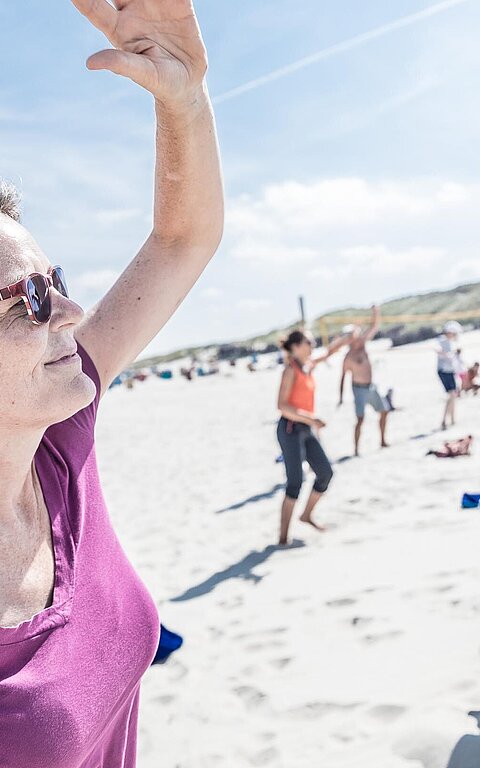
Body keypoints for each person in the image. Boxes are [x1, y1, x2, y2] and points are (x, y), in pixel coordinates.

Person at [0, 1, 223, 766]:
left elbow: (180, 240)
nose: (69, 310)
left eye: (52, 279)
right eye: (22, 300)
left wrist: (185, 99)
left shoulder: (58, 442)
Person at [276, 329, 351, 545]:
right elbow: (282, 406)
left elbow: (328, 352)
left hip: (307, 428)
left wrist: (347, 337)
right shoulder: (290, 370)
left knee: (325, 473)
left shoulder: (307, 366)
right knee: (295, 483)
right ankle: (282, 539)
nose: (312, 346)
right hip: (290, 429)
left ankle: (306, 514)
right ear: (296, 347)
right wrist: (312, 419)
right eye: (309, 342)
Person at [339, 305, 390, 456]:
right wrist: (341, 397)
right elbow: (342, 377)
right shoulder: (348, 357)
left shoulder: (362, 344)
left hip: (371, 387)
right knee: (360, 419)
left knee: (384, 411)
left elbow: (374, 326)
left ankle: (382, 440)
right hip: (359, 389)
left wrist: (376, 312)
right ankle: (356, 449)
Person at [436, 321, 463, 429]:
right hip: (444, 371)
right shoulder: (442, 340)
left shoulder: (450, 342)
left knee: (453, 395)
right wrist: (449, 354)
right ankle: (444, 420)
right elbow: (439, 351)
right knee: (452, 394)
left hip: (450, 370)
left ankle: (452, 419)